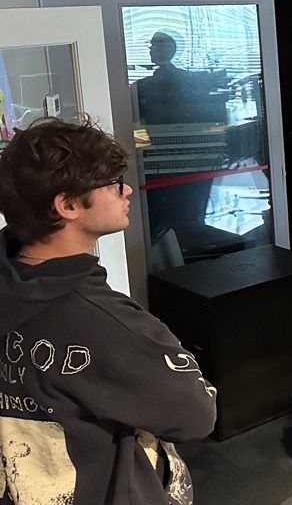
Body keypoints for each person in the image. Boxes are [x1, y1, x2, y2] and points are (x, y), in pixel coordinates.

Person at [0, 119, 217, 504]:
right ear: (67, 205)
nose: (127, 189)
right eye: (114, 182)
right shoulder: (103, 324)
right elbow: (196, 414)